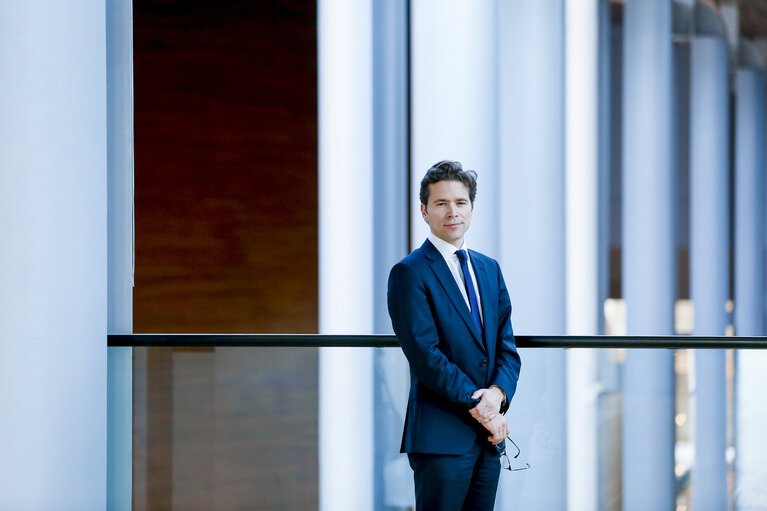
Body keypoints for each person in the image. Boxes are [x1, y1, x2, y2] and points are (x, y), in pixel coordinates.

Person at [387, 160, 522, 510]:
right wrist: (483, 408)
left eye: (460, 202)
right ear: (424, 211)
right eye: (441, 203)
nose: (452, 212)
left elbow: (506, 347)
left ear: (471, 209)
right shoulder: (409, 272)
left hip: (486, 437)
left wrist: (496, 394)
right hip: (440, 436)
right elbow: (425, 354)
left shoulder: (489, 269)